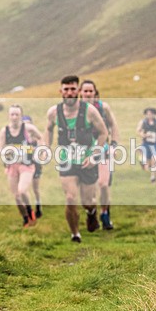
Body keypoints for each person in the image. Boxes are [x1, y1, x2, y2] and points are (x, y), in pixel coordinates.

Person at [46, 76, 108, 243]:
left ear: (78, 91)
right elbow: (48, 129)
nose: (69, 92)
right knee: (70, 198)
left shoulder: (89, 111)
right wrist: (45, 147)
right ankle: (75, 234)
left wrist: (95, 156)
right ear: (61, 91)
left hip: (87, 161)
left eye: (73, 89)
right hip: (67, 161)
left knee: (88, 201)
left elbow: (103, 133)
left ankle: (91, 212)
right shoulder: (53, 112)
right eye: (66, 89)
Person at [80, 79, 120, 230]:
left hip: (103, 150)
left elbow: (113, 125)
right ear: (80, 93)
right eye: (85, 91)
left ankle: (105, 213)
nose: (88, 94)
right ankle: (92, 213)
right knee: (88, 190)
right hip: (84, 152)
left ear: (95, 92)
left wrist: (114, 145)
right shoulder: (76, 110)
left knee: (103, 184)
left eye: (91, 91)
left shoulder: (104, 108)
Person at [0, 105, 42, 227]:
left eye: (17, 114)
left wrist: (39, 151)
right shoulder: (4, 131)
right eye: (12, 114)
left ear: (21, 116)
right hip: (12, 166)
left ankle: (30, 211)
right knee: (17, 197)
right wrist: (5, 154)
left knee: (22, 191)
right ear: (9, 116)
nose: (14, 117)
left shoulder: (28, 128)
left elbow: (40, 138)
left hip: (27, 165)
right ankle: (25, 219)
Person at [22, 115, 45, 218]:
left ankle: (38, 206)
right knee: (23, 188)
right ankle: (28, 209)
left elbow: (41, 148)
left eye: (28, 122)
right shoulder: (20, 138)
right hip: (24, 165)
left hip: (36, 164)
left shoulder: (36, 138)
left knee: (35, 188)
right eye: (24, 123)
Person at [137, 107, 156, 183]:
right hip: (146, 143)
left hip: (155, 143)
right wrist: (144, 135)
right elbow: (138, 131)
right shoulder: (143, 122)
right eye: (148, 114)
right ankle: (147, 165)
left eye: (151, 114)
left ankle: (153, 176)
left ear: (154, 114)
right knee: (148, 161)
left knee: (154, 159)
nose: (149, 115)